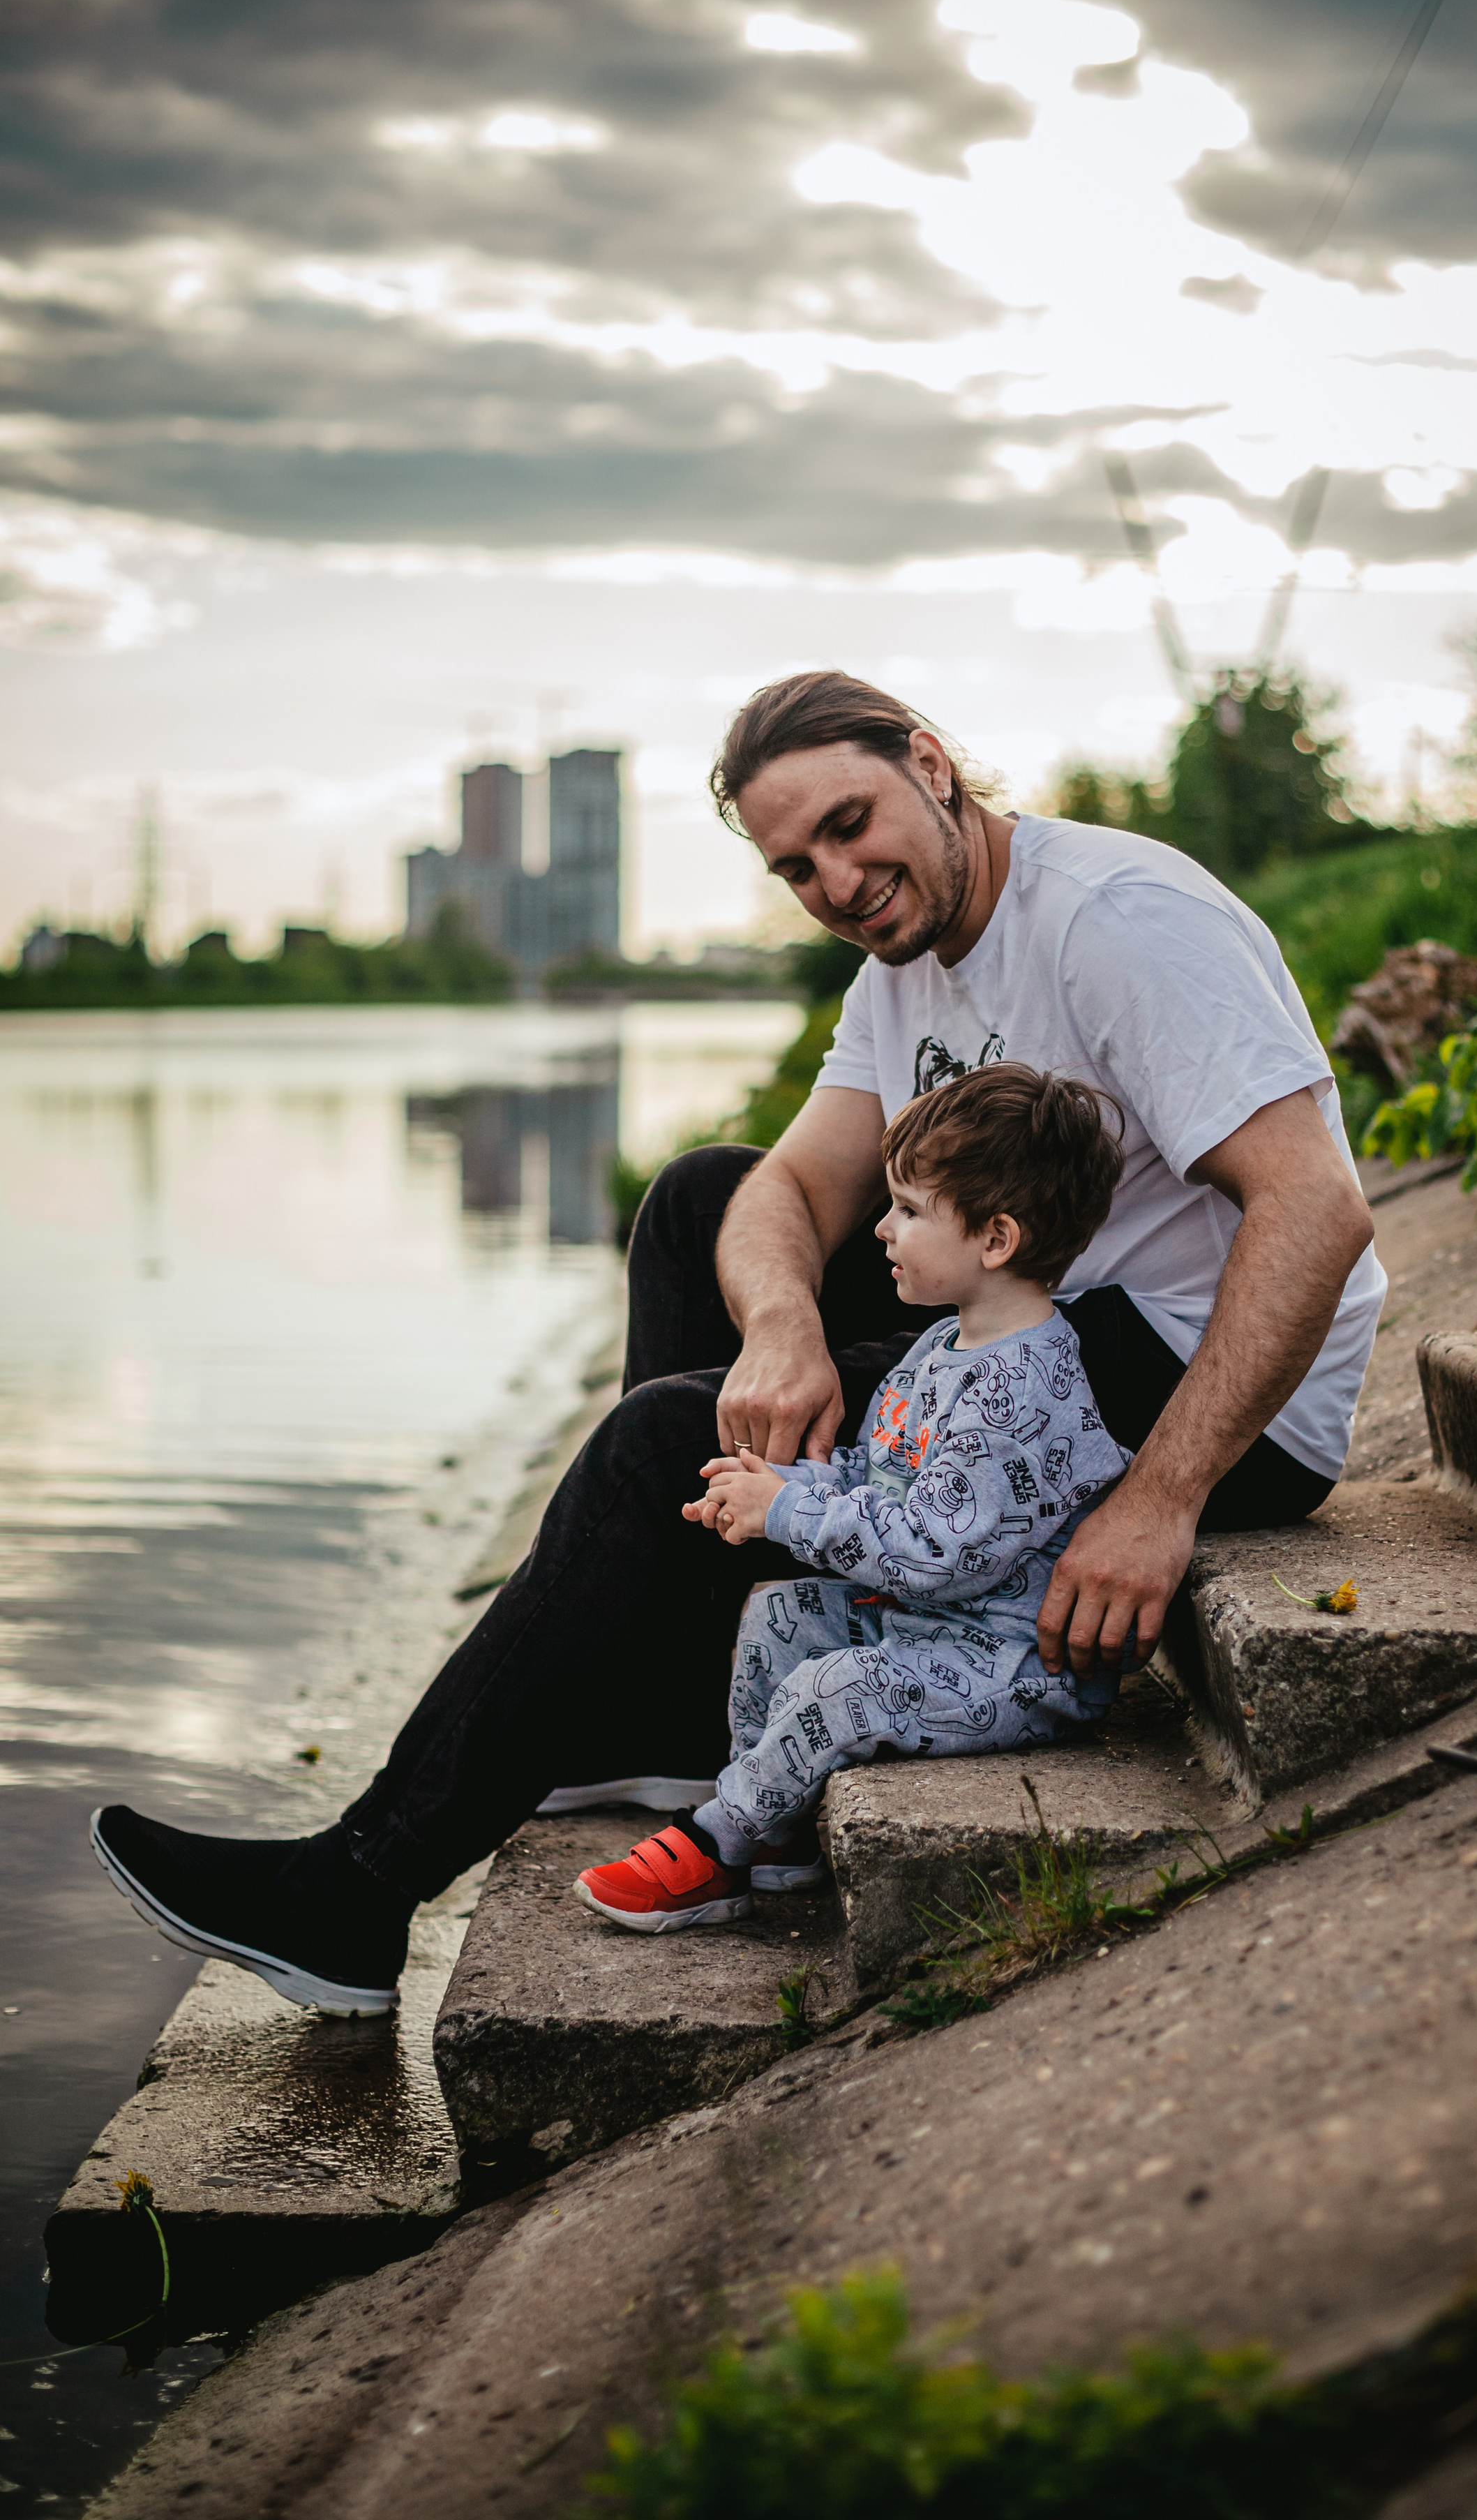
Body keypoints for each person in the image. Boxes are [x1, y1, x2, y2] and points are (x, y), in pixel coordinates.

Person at [89, 669, 1381, 2020]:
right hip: (1039, 1328)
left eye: (849, 821)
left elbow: (1314, 1206)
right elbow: (783, 1191)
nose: (835, 878)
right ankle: (668, 1715)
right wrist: (780, 1331)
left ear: (931, 766)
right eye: (794, 865)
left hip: (1192, 1383)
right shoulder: (903, 970)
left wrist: (1160, 1497)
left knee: (662, 1445)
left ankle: (354, 1894)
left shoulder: (1115, 921)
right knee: (700, 1198)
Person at [575, 1063, 1132, 1932]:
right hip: (936, 1628)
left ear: (995, 1239)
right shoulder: (942, 1346)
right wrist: (777, 1485)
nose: (880, 1228)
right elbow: (875, 1476)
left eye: (909, 1210)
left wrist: (789, 1515)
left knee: (840, 1683)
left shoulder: (1018, 1394)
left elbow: (931, 1554)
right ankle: (776, 1824)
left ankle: (720, 1840)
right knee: (778, 1617)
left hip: (1011, 1665)